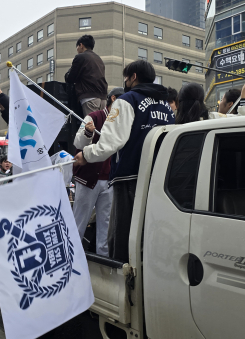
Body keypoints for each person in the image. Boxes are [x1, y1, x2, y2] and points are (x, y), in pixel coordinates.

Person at [74, 60, 173, 261]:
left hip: (129, 178)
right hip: (158, 178)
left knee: (121, 234)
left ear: (133, 77)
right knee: (147, 233)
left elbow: (110, 143)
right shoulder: (166, 106)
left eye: (126, 77)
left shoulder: (128, 100)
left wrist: (86, 155)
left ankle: (120, 283)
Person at [73, 87, 124, 256]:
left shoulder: (121, 122)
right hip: (88, 178)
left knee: (106, 223)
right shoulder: (94, 117)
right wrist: (88, 132)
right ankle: (72, 255)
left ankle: (103, 260)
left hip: (109, 179)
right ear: (113, 99)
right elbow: (78, 143)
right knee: (80, 220)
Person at [65, 35, 109, 116]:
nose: (77, 49)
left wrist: (68, 73)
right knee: (100, 126)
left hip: (89, 96)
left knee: (90, 125)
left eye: (77, 47)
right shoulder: (99, 59)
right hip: (103, 98)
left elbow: (70, 78)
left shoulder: (81, 57)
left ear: (81, 45)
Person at [175, 81, 245, 124]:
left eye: (221, 100)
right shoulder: (212, 118)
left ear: (178, 103)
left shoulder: (170, 126)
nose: (219, 103)